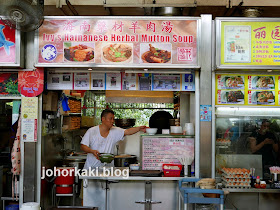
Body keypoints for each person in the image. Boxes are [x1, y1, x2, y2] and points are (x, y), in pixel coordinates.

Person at [80, 109, 146, 169]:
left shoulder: (115, 131)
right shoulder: (92, 131)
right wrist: (92, 151)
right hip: (91, 169)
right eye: (110, 119)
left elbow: (127, 131)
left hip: (108, 169)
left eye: (113, 119)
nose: (112, 121)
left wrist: (139, 128)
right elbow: (83, 146)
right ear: (103, 119)